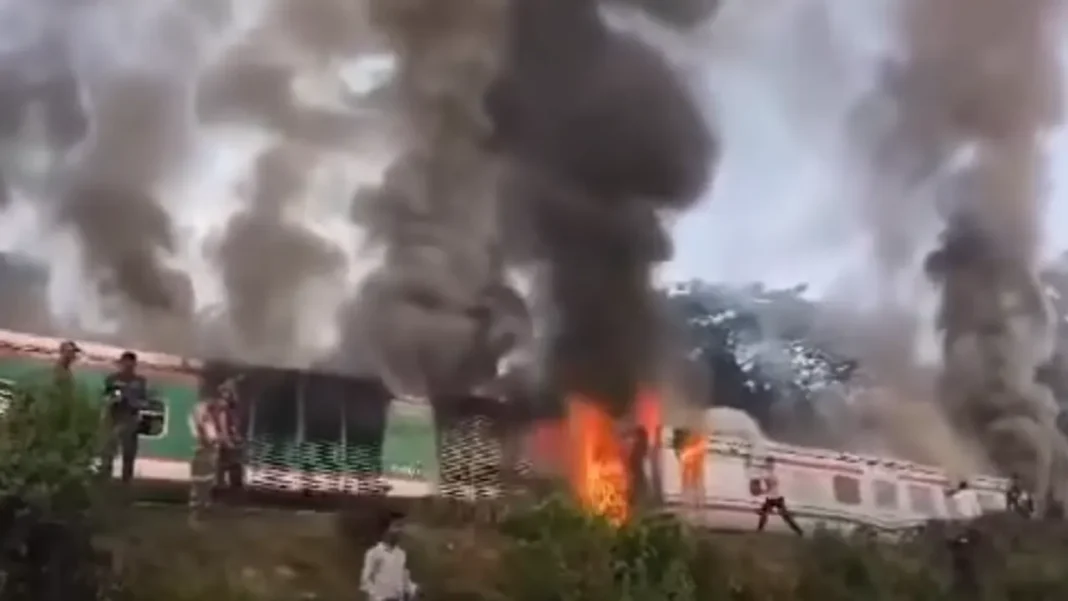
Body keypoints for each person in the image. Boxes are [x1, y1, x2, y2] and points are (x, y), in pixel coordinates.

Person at [100, 351, 149, 484]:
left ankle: (126, 482)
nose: (127, 366)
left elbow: (145, 402)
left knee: (129, 454)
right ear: (121, 363)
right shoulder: (112, 379)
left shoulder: (140, 382)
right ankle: (104, 479)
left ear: (134, 365)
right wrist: (113, 399)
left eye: (131, 363)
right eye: (125, 363)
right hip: (113, 418)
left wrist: (134, 402)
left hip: (130, 419)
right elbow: (104, 397)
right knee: (108, 451)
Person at [188, 388, 229, 526]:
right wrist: (212, 440)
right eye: (223, 400)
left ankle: (202, 504)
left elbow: (218, 431)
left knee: (207, 477)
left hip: (208, 447)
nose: (224, 404)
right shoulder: (203, 411)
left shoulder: (215, 411)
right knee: (202, 477)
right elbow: (202, 428)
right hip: (204, 447)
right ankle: (198, 506)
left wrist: (221, 439)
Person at [361, 514, 418, 601]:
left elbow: (404, 579)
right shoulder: (374, 553)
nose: (400, 530)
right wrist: (378, 597)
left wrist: (413, 589)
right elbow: (366, 581)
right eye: (397, 526)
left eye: (402, 527)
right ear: (386, 530)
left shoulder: (401, 554)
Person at [755, 457, 804, 536]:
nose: (769, 465)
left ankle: (799, 531)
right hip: (773, 498)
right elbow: (771, 486)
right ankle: (799, 531)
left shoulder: (770, 474)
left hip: (776, 498)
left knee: (783, 516)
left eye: (770, 463)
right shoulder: (769, 473)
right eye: (769, 463)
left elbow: (770, 486)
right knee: (768, 515)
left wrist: (762, 491)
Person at [214, 376, 245, 494]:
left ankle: (224, 485)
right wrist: (228, 440)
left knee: (228, 463)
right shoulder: (224, 407)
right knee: (230, 464)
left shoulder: (230, 408)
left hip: (229, 440)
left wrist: (236, 436)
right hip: (226, 441)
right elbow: (223, 425)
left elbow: (232, 425)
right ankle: (224, 486)